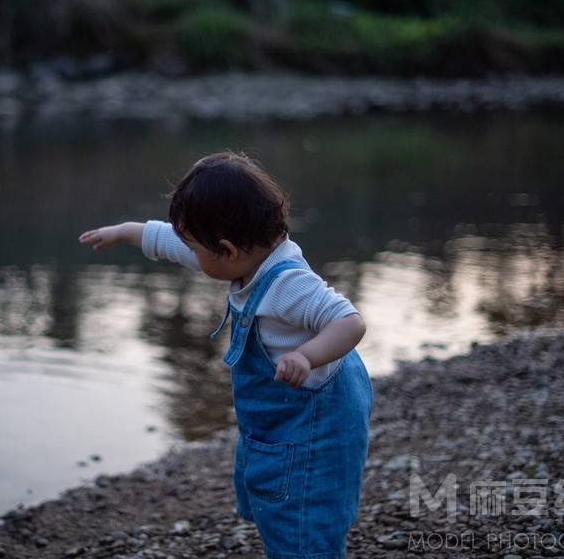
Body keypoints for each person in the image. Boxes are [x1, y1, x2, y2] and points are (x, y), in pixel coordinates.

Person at [78, 151, 373, 559]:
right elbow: (172, 243)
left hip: (312, 431)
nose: (191, 256)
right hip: (282, 423)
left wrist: (307, 356)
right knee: (279, 506)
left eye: (197, 249)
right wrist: (125, 231)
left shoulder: (287, 284)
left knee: (304, 523)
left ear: (227, 250)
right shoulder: (249, 257)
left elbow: (349, 322)